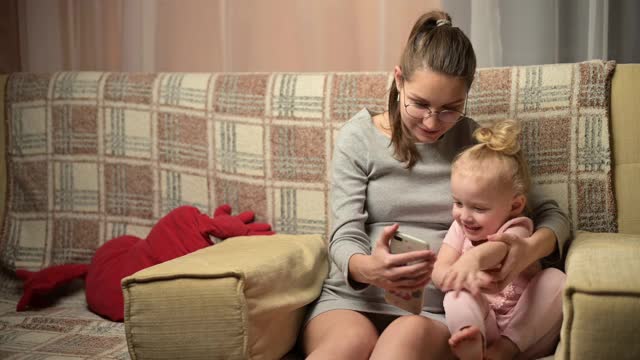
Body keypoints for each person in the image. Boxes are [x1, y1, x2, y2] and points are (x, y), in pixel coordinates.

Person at [302, 10, 570, 360]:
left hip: (431, 309)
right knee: (345, 348)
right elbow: (344, 233)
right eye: (420, 104)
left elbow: (554, 216)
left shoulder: (473, 142)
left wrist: (528, 250)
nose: (432, 122)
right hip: (351, 299)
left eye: (449, 109)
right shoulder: (359, 136)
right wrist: (370, 268)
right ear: (399, 81)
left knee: (397, 350)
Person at [432, 119, 566, 360]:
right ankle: (470, 338)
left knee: (556, 279)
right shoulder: (459, 227)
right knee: (455, 296)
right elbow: (440, 269)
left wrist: (471, 260)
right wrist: (450, 277)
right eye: (458, 203)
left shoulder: (517, 226)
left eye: (479, 208)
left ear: (515, 205)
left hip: (527, 330)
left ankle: (504, 350)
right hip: (486, 323)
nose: (464, 216)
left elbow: (500, 249)